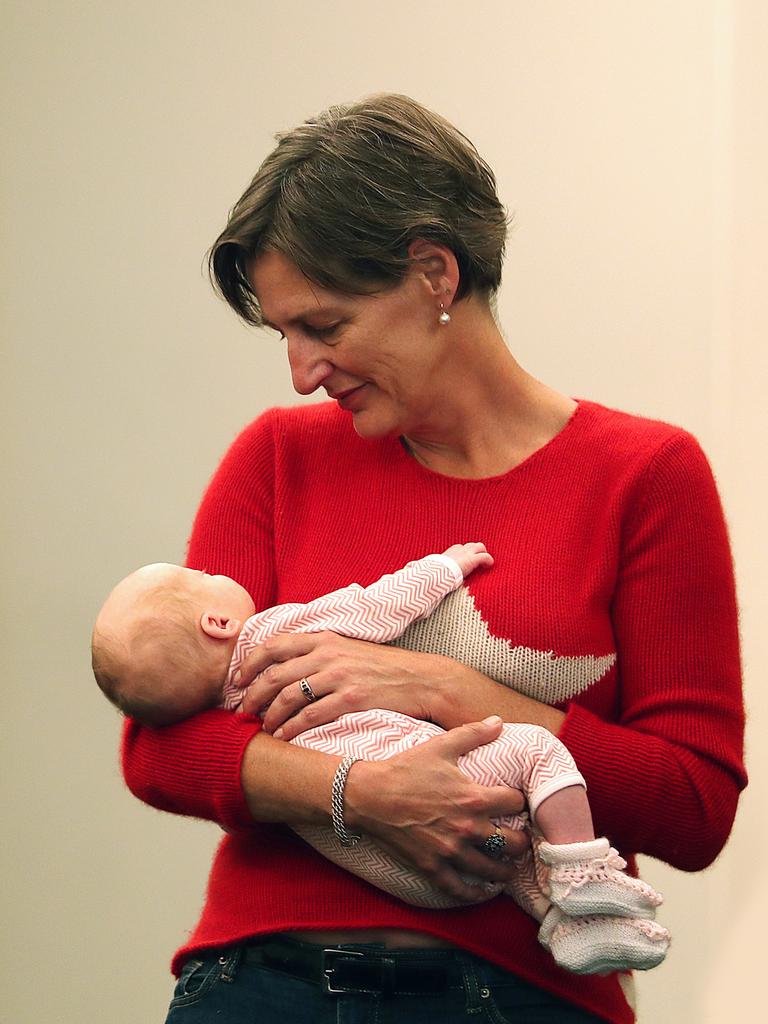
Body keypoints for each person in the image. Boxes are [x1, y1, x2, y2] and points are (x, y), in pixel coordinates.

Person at [119, 94, 746, 1023]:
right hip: (264, 990)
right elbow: (162, 745)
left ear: (433, 274)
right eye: (284, 334)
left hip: (524, 998)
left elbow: (696, 806)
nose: (300, 372)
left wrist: (445, 692)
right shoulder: (278, 460)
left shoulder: (646, 475)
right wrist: (356, 795)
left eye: (323, 328)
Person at [93, 546, 669, 977]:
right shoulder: (272, 633)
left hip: (405, 878)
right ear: (217, 624)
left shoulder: (225, 714)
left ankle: (564, 922)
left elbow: (173, 748)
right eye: (200, 577)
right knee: (537, 752)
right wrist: (445, 567)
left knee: (506, 867)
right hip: (446, 782)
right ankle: (579, 872)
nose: (213, 569)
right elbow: (374, 608)